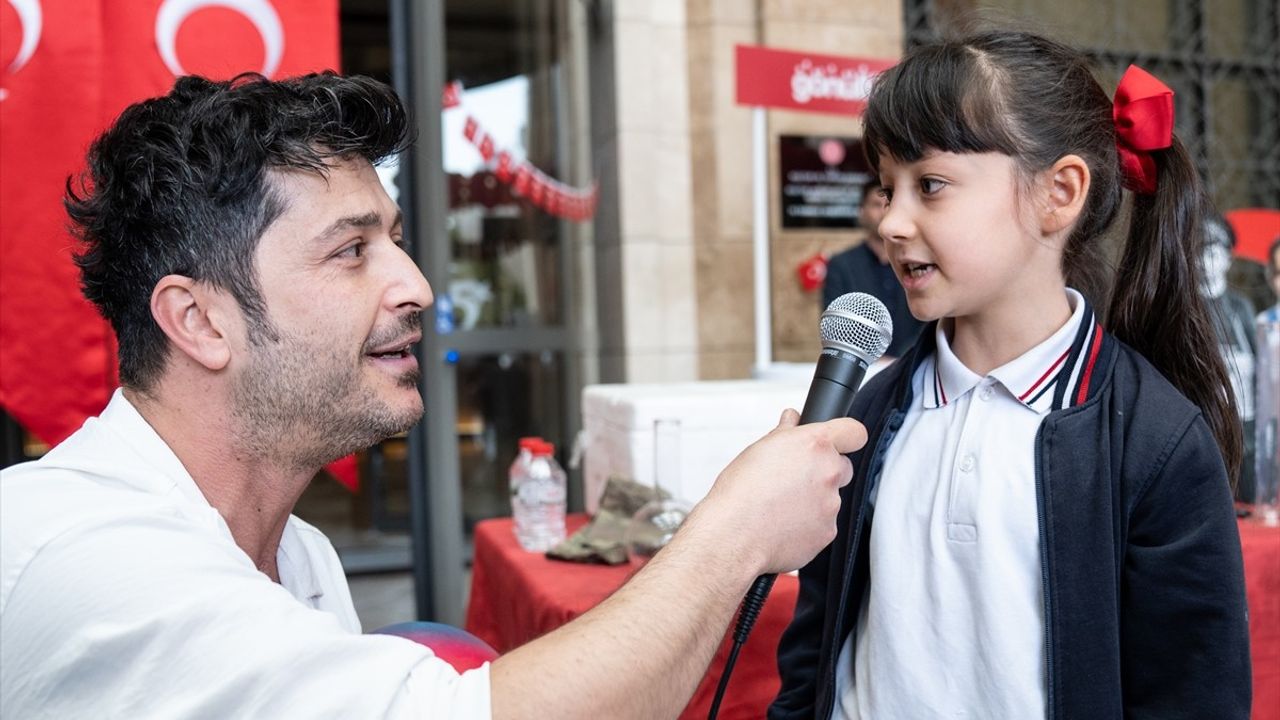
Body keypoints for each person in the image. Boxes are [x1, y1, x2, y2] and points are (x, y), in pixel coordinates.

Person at [0, 73, 868, 719]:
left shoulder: (301, 556)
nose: (415, 285)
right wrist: (733, 533)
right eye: (351, 251)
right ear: (198, 320)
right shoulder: (91, 555)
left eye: (396, 240)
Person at [771, 30, 1251, 720]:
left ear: (1059, 192)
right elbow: (814, 648)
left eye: (930, 185)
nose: (892, 222)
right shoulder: (870, 415)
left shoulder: (1154, 442)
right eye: (886, 188)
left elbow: (1192, 692)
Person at [823, 178, 925, 357]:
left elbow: (928, 321)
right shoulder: (841, 265)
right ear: (862, 211)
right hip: (862, 366)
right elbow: (835, 325)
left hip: (913, 363)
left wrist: (904, 360)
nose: (883, 212)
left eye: (889, 205)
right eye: (876, 205)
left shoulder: (917, 262)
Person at [1202, 211, 1258, 498]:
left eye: (1214, 250)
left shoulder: (1240, 308)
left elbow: (1259, 363)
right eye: (1199, 250)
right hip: (1203, 424)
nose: (1205, 260)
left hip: (1244, 422)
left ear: (1227, 257)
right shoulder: (1186, 308)